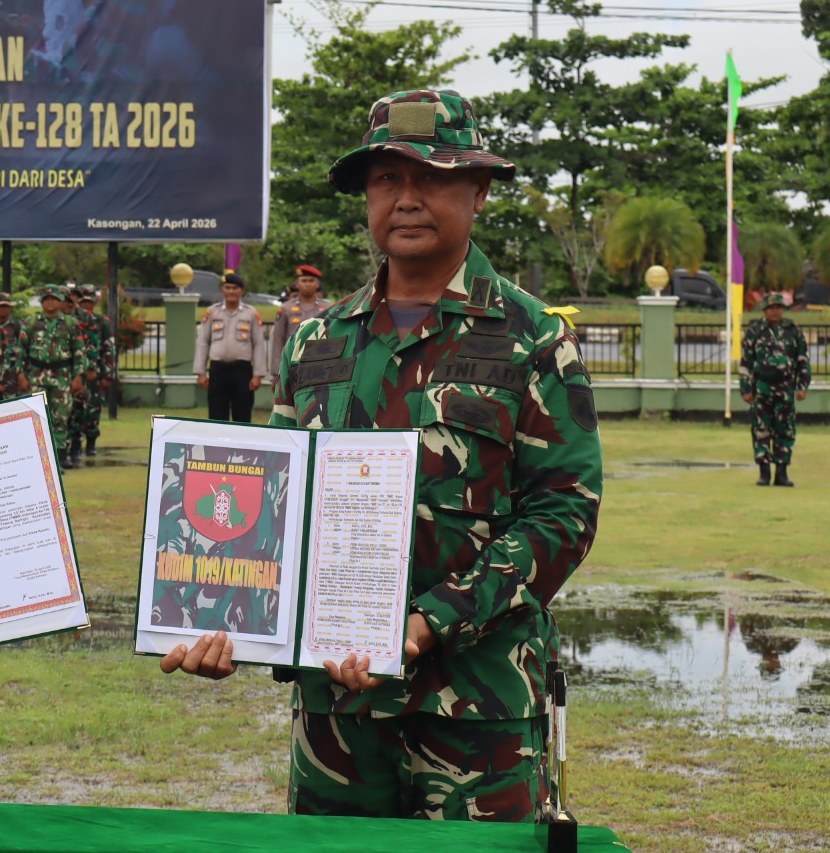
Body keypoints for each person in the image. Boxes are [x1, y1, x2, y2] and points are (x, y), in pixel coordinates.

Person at [163, 89, 601, 824]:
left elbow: (563, 517)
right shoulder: (316, 340)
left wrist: (428, 622)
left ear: (479, 190)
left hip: (475, 710)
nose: (406, 198)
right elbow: (267, 506)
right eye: (386, 178)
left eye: (432, 177)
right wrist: (226, 616)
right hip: (337, 714)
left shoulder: (532, 340)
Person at [741, 291, 810, 487]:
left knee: (785, 429)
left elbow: (802, 359)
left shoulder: (792, 330)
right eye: (771, 308)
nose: (775, 312)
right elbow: (746, 361)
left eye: (778, 308)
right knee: (761, 429)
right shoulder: (755, 331)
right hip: (761, 388)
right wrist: (745, 388)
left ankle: (782, 473)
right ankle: (764, 472)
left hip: (785, 388)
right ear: (764, 310)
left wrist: (802, 385)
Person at [18, 286, 86, 470]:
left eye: (54, 298)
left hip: (62, 376)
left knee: (60, 416)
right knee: (36, 416)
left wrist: (78, 376)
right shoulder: (31, 322)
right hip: (37, 376)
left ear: (61, 301)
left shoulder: (70, 323)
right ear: (41, 301)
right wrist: (20, 374)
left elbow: (79, 351)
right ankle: (36, 457)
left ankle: (60, 456)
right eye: (46, 298)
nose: (50, 302)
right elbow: (20, 350)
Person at [192, 272, 266, 422]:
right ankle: (218, 445)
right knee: (217, 414)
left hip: (242, 370)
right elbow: (203, 341)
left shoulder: (250, 313)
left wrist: (258, 375)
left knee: (242, 413)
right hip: (218, 370)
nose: (231, 291)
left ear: (242, 290)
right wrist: (200, 372)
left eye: (235, 288)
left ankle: (241, 445)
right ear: (222, 290)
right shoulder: (212, 312)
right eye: (227, 288)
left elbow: (258, 344)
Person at [71, 284, 116, 463]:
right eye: (83, 301)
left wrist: (108, 374)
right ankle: (74, 444)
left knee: (94, 408)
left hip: (95, 373)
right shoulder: (73, 320)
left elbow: (109, 348)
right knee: (76, 409)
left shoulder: (101, 321)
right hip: (77, 372)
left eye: (90, 302)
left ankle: (91, 442)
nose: (86, 305)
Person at [268, 264, 331, 378]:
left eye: (311, 281)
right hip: (292, 365)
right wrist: (276, 373)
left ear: (317, 284)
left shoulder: (328, 308)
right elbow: (278, 340)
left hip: (320, 364)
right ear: (297, 284)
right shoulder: (286, 309)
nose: (307, 284)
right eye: (304, 281)